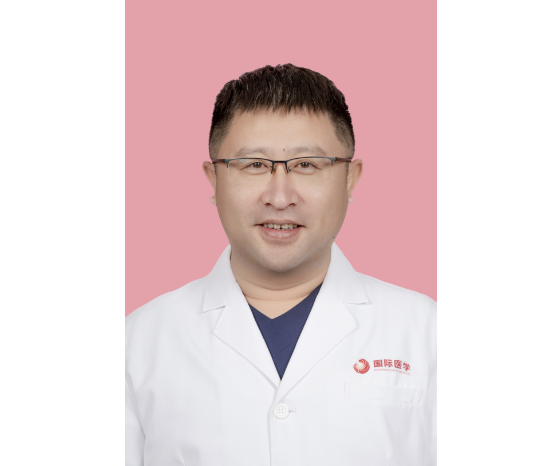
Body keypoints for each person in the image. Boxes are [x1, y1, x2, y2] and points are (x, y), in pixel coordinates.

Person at [126, 63, 436, 466]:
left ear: (350, 179)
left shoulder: (427, 333)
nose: (279, 196)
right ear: (214, 180)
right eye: (254, 165)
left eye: (307, 164)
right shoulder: (137, 343)